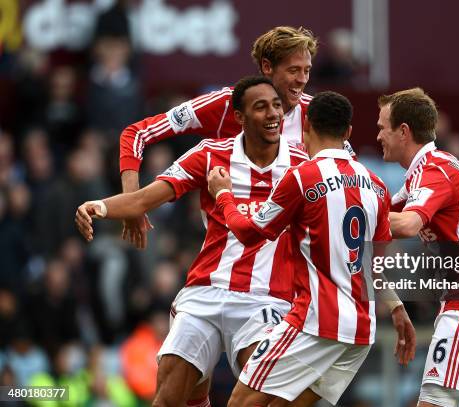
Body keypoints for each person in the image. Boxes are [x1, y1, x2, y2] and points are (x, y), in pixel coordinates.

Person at [76, 76, 310, 407]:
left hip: (266, 300)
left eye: (276, 106)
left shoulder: (303, 165)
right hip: (205, 294)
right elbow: (143, 199)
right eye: (261, 107)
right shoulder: (211, 155)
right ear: (239, 117)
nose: (273, 114)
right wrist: (98, 207)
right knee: (169, 396)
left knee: (262, 395)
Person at [208, 91, 415, 406]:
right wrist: (397, 308)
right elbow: (374, 263)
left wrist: (223, 196)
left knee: (240, 402)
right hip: (361, 332)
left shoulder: (301, 178)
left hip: (316, 322)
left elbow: (249, 234)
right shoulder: (377, 185)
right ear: (347, 132)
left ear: (305, 125)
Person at [118, 26, 354, 249]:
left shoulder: (316, 114)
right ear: (267, 67)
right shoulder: (225, 105)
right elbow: (136, 132)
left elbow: (351, 174)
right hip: (230, 247)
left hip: (298, 254)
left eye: (307, 70)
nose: (303, 79)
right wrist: (131, 202)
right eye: (293, 70)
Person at [376, 88, 459, 407]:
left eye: (382, 127)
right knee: (435, 400)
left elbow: (405, 225)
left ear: (403, 131)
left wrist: (350, 216)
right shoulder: (421, 173)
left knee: (433, 401)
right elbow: (379, 220)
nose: (378, 135)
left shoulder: (435, 172)